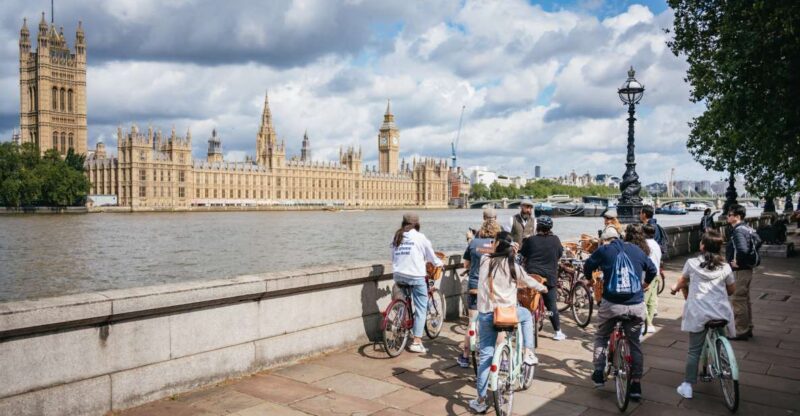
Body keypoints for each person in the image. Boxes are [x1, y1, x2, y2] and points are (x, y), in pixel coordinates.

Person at [470, 231, 548, 414]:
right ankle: (528, 352)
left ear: (496, 244)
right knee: (527, 315)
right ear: (509, 247)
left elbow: (483, 249)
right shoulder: (513, 264)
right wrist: (542, 287)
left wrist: (502, 246)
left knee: (485, 359)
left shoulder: (485, 261)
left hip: (487, 313)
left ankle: (480, 400)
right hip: (508, 314)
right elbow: (528, 280)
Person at [584, 227, 657, 401]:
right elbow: (653, 270)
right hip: (635, 305)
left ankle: (599, 372)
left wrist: (589, 278)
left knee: (601, 336)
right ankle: (636, 384)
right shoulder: (637, 250)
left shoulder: (604, 250)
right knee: (635, 343)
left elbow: (588, 266)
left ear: (607, 240)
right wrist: (644, 284)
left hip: (612, 305)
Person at [670, 231, 736, 399]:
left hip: (698, 311)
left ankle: (687, 386)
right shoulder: (726, 266)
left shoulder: (692, 263)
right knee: (722, 338)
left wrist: (675, 288)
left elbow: (683, 281)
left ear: (703, 246)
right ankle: (724, 360)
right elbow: (731, 290)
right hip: (720, 311)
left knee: (694, 351)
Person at [391, 212, 443, 353]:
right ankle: (417, 342)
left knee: (405, 300)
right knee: (421, 306)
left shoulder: (396, 236)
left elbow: (393, 257)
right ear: (417, 223)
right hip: (415, 276)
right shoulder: (420, 237)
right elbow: (431, 257)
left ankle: (402, 321)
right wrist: (440, 263)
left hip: (398, 274)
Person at [457, 207, 501, 368]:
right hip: (494, 288)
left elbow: (466, 264)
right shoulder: (500, 244)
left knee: (472, 323)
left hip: (475, 286)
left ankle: (465, 356)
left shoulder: (474, 242)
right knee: (498, 324)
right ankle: (500, 358)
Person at [519, 215, 566, 341]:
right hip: (549, 278)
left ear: (537, 226)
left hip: (532, 276)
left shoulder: (531, 240)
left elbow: (522, 254)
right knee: (551, 307)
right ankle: (558, 332)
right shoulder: (555, 240)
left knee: (524, 304)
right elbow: (559, 254)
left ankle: (522, 328)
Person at [725, 204, 758, 340]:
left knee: (738, 300)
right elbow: (759, 241)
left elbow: (743, 250)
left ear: (737, 217)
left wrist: (738, 262)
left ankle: (740, 331)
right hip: (747, 269)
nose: (727, 217)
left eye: (729, 215)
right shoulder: (748, 228)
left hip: (741, 270)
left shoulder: (738, 231)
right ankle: (748, 327)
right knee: (745, 299)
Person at [642, 224, 662, 333]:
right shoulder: (656, 244)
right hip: (656, 274)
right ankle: (650, 323)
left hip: (648, 275)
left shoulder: (645, 245)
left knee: (643, 300)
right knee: (652, 300)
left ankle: (647, 323)